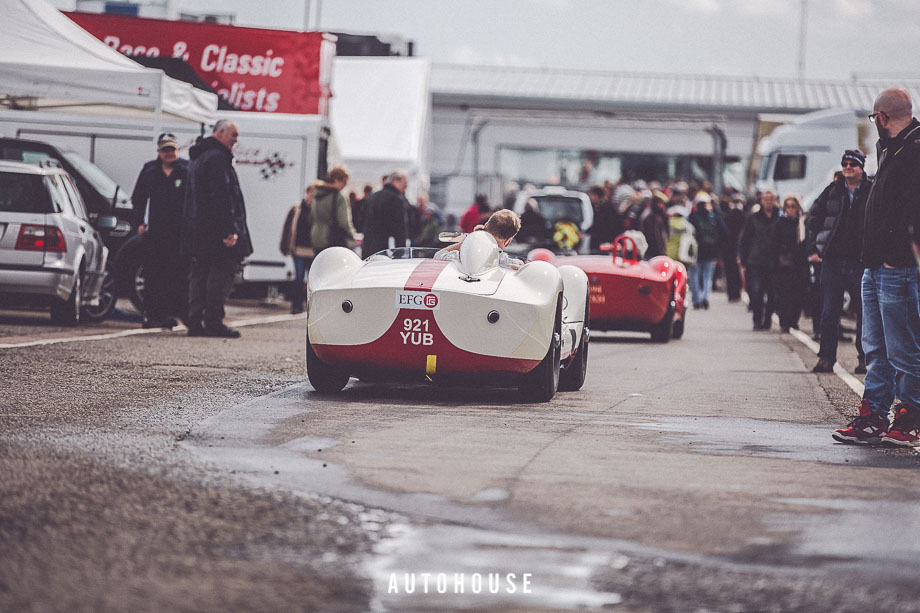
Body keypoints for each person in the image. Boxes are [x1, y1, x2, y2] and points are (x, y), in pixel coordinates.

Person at [833, 88, 920, 446]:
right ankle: (873, 416)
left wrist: (895, 255)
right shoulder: (891, 148)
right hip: (876, 265)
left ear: (882, 117)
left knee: (903, 348)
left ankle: (911, 416)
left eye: (874, 119)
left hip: (897, 266)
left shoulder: (914, 149)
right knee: (876, 346)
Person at [182, 119, 253, 338]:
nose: (236, 140)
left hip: (199, 229)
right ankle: (213, 321)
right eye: (233, 135)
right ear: (221, 133)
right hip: (216, 231)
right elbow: (220, 196)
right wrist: (229, 230)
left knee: (200, 274)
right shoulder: (217, 159)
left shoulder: (199, 157)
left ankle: (196, 321)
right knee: (220, 275)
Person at [806, 149, 871, 374]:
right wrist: (814, 248)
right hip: (832, 259)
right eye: (844, 163)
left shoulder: (871, 191)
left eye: (852, 164)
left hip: (861, 261)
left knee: (866, 312)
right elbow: (813, 220)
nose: (847, 167)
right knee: (829, 311)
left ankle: (865, 358)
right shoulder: (832, 191)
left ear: (861, 167)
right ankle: (826, 358)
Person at [130, 132, 189, 329]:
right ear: (159, 152)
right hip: (156, 231)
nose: (168, 153)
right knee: (154, 275)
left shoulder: (186, 169)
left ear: (177, 150)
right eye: (165, 150)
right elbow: (138, 198)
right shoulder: (150, 170)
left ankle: (178, 313)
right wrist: (140, 222)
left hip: (179, 232)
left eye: (171, 149)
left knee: (178, 275)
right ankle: (154, 315)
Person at [739, 189, 779, 330]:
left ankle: (767, 319)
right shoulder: (754, 217)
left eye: (771, 199)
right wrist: (743, 261)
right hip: (755, 260)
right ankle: (757, 319)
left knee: (772, 292)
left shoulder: (779, 217)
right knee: (756, 291)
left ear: (775, 201)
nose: (768, 202)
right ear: (761, 201)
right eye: (766, 199)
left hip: (774, 261)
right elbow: (745, 240)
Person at [435, 209, 524, 269]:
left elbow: (438, 255)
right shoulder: (511, 264)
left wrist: (469, 240)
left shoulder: (460, 257)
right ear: (508, 240)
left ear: (485, 226)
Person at [771, 195, 808, 332]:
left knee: (798, 293)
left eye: (793, 206)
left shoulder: (802, 222)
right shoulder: (780, 223)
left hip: (800, 262)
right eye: (788, 206)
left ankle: (793, 320)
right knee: (784, 294)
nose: (790, 209)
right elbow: (774, 244)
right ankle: (784, 321)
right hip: (785, 263)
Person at [280, 183, 316, 314]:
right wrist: (285, 246)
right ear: (307, 193)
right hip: (298, 249)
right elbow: (288, 228)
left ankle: (310, 307)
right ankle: (296, 305)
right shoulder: (297, 209)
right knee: (299, 278)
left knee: (311, 281)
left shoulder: (318, 211)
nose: (312, 196)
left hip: (312, 251)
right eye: (311, 193)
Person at [687, 192, 727, 309]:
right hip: (711, 250)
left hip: (696, 251)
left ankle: (697, 299)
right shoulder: (714, 217)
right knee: (707, 276)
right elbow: (725, 231)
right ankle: (705, 297)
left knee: (695, 275)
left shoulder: (692, 217)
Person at [361, 171, 410, 258]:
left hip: (367, 249)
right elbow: (399, 230)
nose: (406, 186)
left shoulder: (372, 197)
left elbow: (360, 221)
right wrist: (400, 253)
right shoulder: (396, 200)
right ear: (395, 181)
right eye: (405, 183)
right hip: (385, 252)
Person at [310, 165, 356, 254]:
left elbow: (311, 217)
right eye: (344, 182)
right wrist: (352, 235)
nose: (345, 185)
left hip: (316, 239)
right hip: (332, 240)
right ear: (336, 180)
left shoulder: (317, 194)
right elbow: (344, 222)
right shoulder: (339, 197)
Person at [721, 196, 746, 302]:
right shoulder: (744, 217)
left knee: (729, 272)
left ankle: (731, 294)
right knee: (737, 271)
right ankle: (737, 292)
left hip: (728, 249)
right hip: (739, 248)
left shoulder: (726, 217)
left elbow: (722, 234)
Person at [587, 184, 623, 253]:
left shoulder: (603, 207)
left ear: (596, 195)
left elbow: (598, 224)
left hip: (603, 241)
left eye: (592, 195)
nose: (591, 197)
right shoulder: (606, 206)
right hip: (606, 240)